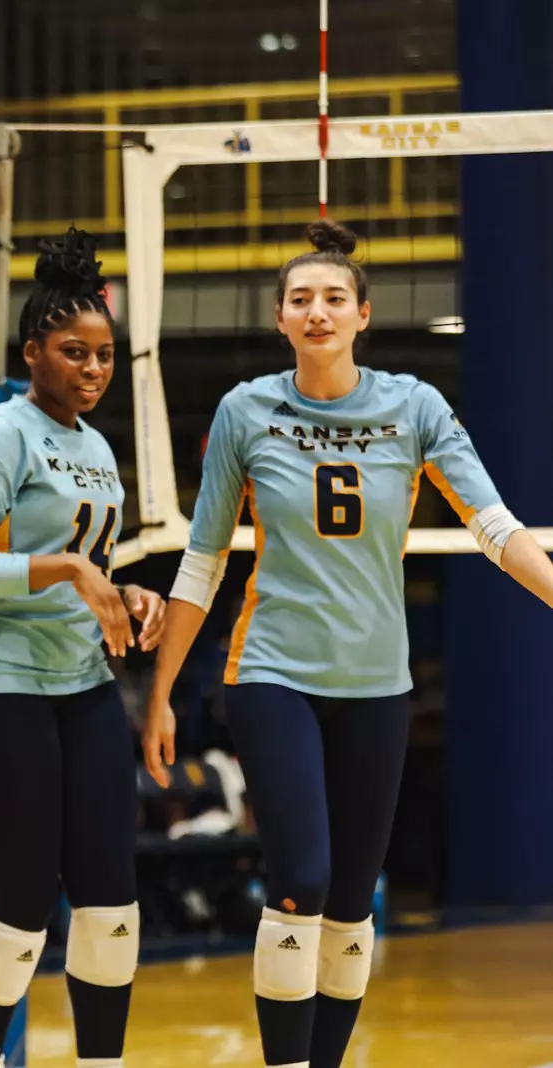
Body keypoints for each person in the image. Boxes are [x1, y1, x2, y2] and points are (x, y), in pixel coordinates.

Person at [141, 220, 553, 1068]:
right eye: (301, 301)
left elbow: (494, 523)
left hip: (376, 682)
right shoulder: (245, 411)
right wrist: (159, 694)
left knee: (353, 900)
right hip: (272, 672)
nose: (317, 312)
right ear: (280, 320)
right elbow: (203, 560)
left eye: (334, 299)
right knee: (303, 877)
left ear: (363, 314)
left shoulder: (415, 407)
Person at [0, 229, 165, 1068]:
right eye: (73, 353)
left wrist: (127, 592)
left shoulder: (98, 449)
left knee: (111, 901)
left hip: (82, 680)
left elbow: (87, 568)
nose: (93, 370)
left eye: (103, 356)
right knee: (24, 903)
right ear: (32, 353)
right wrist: (67, 567)